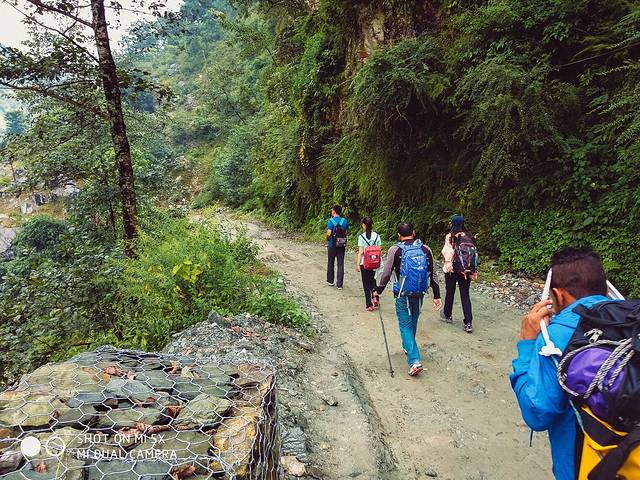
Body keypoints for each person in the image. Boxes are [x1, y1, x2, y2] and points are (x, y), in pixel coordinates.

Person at [510, 248, 610, 480]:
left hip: (583, 468)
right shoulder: (632, 321)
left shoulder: (556, 335)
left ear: (558, 295)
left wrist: (527, 344)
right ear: (605, 289)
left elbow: (537, 414)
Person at [377, 222, 442, 376]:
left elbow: (387, 273)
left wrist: (378, 290)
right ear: (413, 232)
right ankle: (408, 346)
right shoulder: (426, 249)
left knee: (405, 325)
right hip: (420, 292)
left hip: (403, 293)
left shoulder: (395, 250)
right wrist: (437, 295)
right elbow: (433, 273)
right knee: (413, 321)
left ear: (398, 235)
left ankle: (414, 361)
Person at [440, 214, 477, 333]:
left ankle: (447, 314)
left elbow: (448, 253)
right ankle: (468, 323)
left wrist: (447, 267)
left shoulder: (450, 237)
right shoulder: (470, 236)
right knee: (465, 294)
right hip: (466, 270)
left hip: (452, 269)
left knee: (450, 291)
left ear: (452, 224)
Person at [356, 217, 382, 312]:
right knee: (373, 279)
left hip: (364, 263)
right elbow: (380, 251)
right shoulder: (377, 236)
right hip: (375, 262)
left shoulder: (361, 237)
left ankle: (369, 305)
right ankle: (374, 291)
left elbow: (360, 252)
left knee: (366, 283)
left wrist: (358, 264)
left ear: (364, 225)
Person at [325, 205, 349, 290]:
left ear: (334, 211)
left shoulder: (331, 221)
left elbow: (329, 233)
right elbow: (346, 233)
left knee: (331, 262)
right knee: (340, 264)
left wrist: (327, 239)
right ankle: (339, 284)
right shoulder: (344, 221)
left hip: (332, 244)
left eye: (332, 210)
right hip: (341, 245)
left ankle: (330, 281)